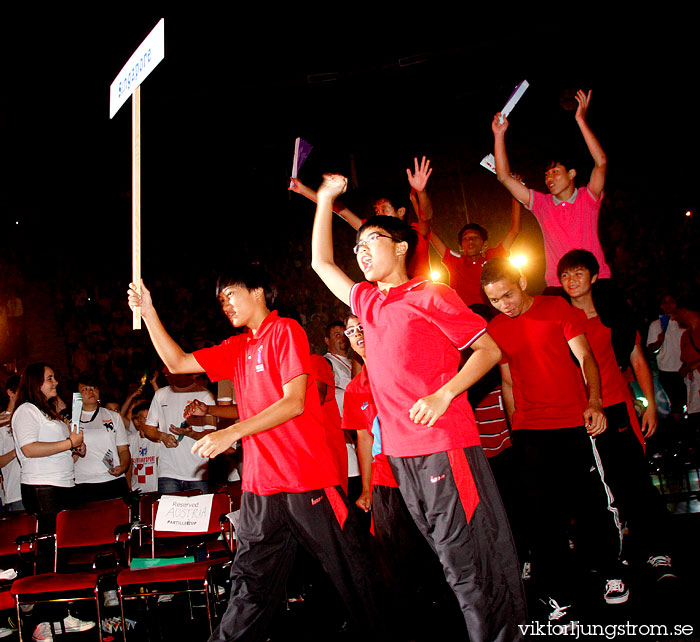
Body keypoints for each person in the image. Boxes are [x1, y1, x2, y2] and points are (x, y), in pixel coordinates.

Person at [311, 172, 526, 642]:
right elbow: (321, 261)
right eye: (358, 246)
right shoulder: (366, 302)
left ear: (403, 246)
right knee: (443, 556)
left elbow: (489, 351)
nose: (362, 251)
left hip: (443, 444)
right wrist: (325, 200)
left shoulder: (432, 294)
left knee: (463, 557)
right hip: (401, 456)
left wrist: (444, 393)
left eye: (373, 240)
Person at [127, 265, 385, 642]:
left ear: (258, 291)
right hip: (261, 486)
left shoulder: (286, 331)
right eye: (220, 301)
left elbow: (294, 403)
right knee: (250, 583)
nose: (225, 305)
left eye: (230, 294)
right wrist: (149, 312)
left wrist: (230, 432)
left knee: (352, 571)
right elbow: (179, 363)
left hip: (306, 478)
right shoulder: (237, 347)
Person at [481, 258, 627, 621]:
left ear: (521, 281)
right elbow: (508, 381)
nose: (504, 305)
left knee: (590, 502)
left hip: (572, 422)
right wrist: (516, 428)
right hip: (531, 429)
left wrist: (594, 401)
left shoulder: (556, 307)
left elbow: (586, 357)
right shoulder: (497, 328)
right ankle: (557, 593)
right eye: (495, 301)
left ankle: (611, 573)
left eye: (508, 295)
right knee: (543, 514)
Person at [558, 249, 675, 582]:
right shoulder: (559, 317)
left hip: (618, 405)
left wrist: (650, 404)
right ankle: (615, 555)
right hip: (581, 414)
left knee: (635, 480)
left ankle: (657, 551)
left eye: (579, 273)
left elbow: (638, 360)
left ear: (594, 277)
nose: (572, 281)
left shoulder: (613, 315)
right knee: (597, 487)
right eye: (565, 275)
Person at [492, 89, 611, 288]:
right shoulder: (541, 204)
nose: (549, 178)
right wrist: (499, 135)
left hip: (596, 280)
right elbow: (503, 176)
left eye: (555, 172)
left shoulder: (587, 198)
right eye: (546, 175)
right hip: (559, 285)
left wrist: (580, 119)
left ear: (572, 174)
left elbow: (601, 162)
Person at [291, 156, 434, 280]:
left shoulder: (415, 232)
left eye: (384, 209)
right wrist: (303, 190)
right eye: (377, 210)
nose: (379, 214)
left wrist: (421, 193)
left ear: (401, 211)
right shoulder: (372, 235)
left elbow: (425, 216)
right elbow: (340, 210)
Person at [11, 364, 84, 533]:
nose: (56, 382)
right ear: (35, 383)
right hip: (43, 486)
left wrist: (76, 450)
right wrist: (69, 443)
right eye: (49, 378)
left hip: (64, 483)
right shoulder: (26, 410)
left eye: (55, 377)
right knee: (51, 543)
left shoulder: (49, 412)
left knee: (66, 541)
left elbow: (58, 451)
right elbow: (29, 449)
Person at [430, 198, 521, 306]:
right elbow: (429, 234)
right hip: (465, 316)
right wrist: (419, 197)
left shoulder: (493, 256)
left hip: (490, 313)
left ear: (485, 243)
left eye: (475, 237)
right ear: (461, 246)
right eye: (466, 239)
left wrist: (516, 198)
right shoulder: (455, 261)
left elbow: (514, 231)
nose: (471, 241)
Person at [141, 368, 216, 494]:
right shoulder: (160, 394)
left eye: (169, 370)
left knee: (198, 513)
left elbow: (211, 435)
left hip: (197, 473)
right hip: (168, 472)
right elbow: (148, 427)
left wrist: (190, 434)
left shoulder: (204, 395)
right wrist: (162, 436)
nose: (165, 373)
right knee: (168, 513)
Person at [73, 374, 131, 503]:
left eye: (93, 387)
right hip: (84, 481)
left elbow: (123, 449)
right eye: (85, 389)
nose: (90, 391)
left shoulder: (113, 416)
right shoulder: (72, 419)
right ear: (77, 395)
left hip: (112, 479)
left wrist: (123, 466)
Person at [323, 320, 360, 498]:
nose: (342, 338)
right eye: (337, 335)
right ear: (327, 341)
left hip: (361, 434)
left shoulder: (356, 361)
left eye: (345, 334)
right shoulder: (327, 364)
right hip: (343, 438)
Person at [647, 295, 686, 423]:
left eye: (671, 301)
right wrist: (659, 341)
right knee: (676, 404)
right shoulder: (656, 324)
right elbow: (651, 350)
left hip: (686, 367)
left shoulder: (685, 322)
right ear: (661, 306)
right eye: (665, 302)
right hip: (667, 369)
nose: (668, 305)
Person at [125, 401, 160, 494]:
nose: (151, 421)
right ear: (137, 422)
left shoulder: (158, 439)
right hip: (137, 491)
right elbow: (129, 466)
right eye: (146, 418)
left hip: (155, 490)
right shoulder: (131, 439)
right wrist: (129, 488)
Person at [0, 375, 23, 511]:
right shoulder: (2, 423)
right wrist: (17, 451)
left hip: (37, 490)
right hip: (16, 495)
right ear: (10, 392)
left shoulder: (32, 417)